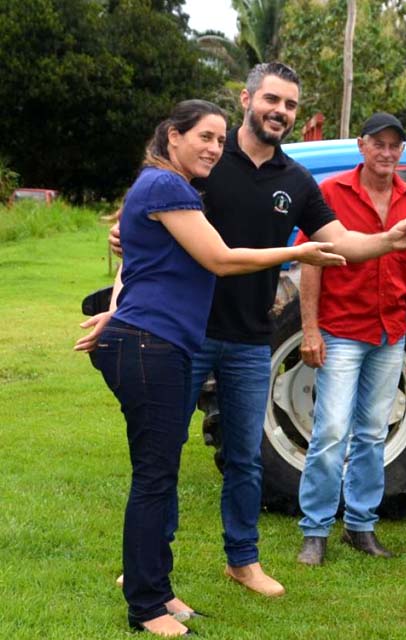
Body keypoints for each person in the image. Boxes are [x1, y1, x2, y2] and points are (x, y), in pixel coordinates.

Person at [107, 63, 406, 598]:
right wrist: (121, 292)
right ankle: (145, 564)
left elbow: (341, 242)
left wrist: (389, 241)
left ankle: (243, 561)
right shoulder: (205, 161)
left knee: (245, 459)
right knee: (161, 454)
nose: (280, 111)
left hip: (251, 340)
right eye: (272, 100)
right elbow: (147, 232)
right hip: (184, 335)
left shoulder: (296, 181)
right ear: (247, 98)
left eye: (291, 105)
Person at [75, 100, 348, 637]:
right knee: (154, 480)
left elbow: (142, 265)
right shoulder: (167, 187)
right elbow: (221, 259)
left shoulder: (164, 188)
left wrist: (114, 310)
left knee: (160, 474)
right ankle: (147, 606)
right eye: (204, 136)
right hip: (152, 346)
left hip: (154, 341)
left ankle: (161, 591)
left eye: (221, 140)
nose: (213, 148)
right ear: (172, 136)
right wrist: (299, 253)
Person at [295, 113, 406, 566]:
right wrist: (310, 329)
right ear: (361, 145)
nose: (387, 153)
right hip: (342, 329)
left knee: (373, 432)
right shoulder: (331, 193)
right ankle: (315, 531)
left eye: (395, 146)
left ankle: (360, 525)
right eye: (379, 144)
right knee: (331, 430)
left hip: (390, 332)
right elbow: (311, 261)